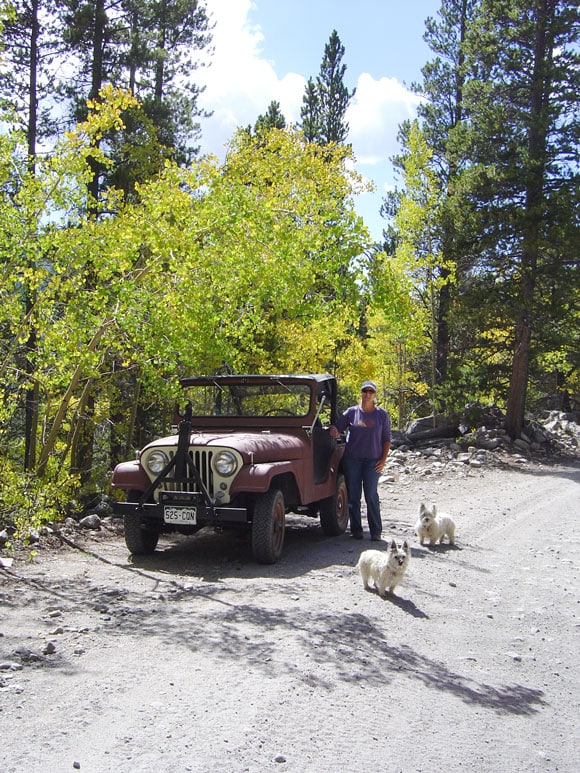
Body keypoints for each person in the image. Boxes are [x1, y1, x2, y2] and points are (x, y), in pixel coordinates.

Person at [329, 380, 391, 540]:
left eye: (371, 392)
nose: (367, 394)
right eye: (365, 391)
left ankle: (376, 531)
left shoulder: (381, 415)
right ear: (361, 392)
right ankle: (356, 530)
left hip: (373, 461)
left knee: (371, 495)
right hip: (352, 460)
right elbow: (337, 428)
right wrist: (334, 430)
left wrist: (383, 460)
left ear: (375, 395)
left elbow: (386, 439)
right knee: (354, 496)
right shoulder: (351, 412)